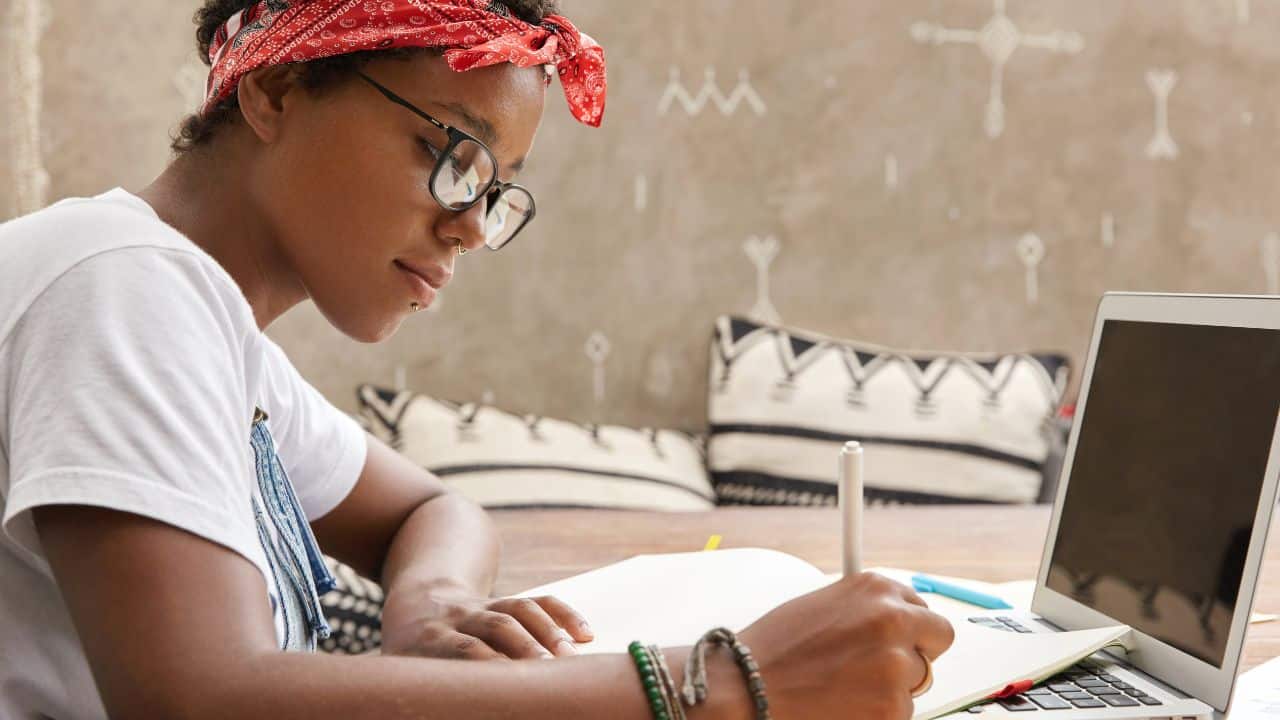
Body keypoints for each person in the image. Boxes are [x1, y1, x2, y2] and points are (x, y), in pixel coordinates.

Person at [0, 1, 954, 718]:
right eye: (449, 149)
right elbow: (203, 702)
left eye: (496, 190)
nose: (467, 224)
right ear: (276, 91)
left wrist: (434, 605)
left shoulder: (205, 327)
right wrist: (715, 683)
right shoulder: (116, 287)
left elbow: (433, 507)